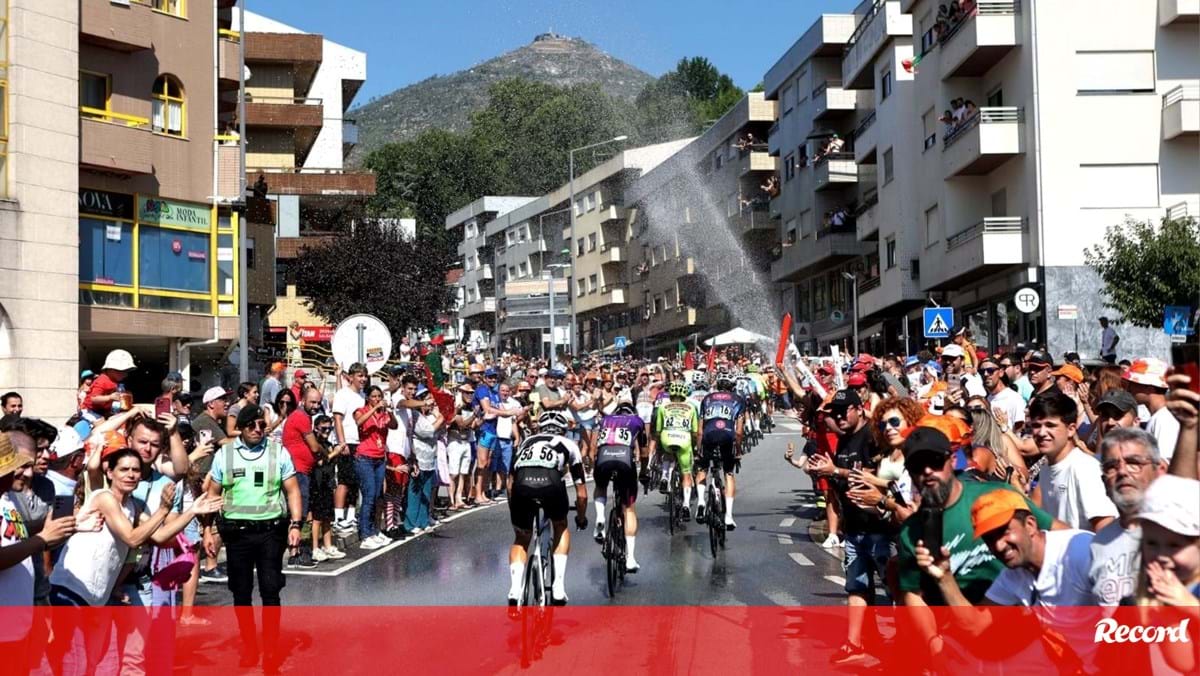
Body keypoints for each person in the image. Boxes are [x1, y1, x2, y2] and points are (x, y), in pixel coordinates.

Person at [913, 488, 1100, 670]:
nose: (999, 545)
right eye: (990, 538)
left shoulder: (1079, 553)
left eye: (1004, 531)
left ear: (1030, 525)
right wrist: (945, 578)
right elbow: (976, 626)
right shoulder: (1014, 574)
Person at [204, 404, 304, 670]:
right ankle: (249, 647)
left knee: (271, 591)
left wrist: (295, 525)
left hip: (271, 532)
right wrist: (208, 531)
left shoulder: (277, 452)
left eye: (261, 425)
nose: (258, 430)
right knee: (241, 593)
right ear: (241, 428)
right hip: (237, 535)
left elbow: (292, 491)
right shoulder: (224, 455)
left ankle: (271, 651)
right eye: (252, 425)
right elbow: (212, 495)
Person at [806, 389, 889, 665]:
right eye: (835, 414)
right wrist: (821, 470)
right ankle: (855, 642)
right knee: (857, 586)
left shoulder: (874, 438)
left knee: (895, 586)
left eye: (844, 412)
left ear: (859, 409)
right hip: (854, 527)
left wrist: (837, 472)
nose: (839, 418)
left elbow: (879, 476)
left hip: (880, 526)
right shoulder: (844, 440)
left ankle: (908, 638)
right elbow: (841, 479)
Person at [505, 410, 588, 606]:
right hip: (551, 482)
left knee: (521, 537)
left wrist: (514, 509)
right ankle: (558, 587)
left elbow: (510, 483)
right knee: (560, 525)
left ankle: (515, 589)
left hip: (522, 485)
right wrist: (581, 517)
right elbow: (582, 492)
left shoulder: (526, 442)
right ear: (563, 430)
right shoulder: (569, 444)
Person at [1090, 427, 1166, 605]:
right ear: (1104, 482)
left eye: (1134, 462)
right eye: (1111, 467)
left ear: (1159, 470)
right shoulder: (1099, 543)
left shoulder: (1184, 532)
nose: (1123, 472)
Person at [1029, 393, 1117, 531]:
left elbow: (1105, 527)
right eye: (1036, 425)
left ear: (1071, 429)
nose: (1041, 433)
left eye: (1050, 425)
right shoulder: (1047, 468)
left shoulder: (1084, 468)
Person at [592, 401, 644, 572]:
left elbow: (594, 445)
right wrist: (644, 471)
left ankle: (600, 517)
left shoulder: (605, 420)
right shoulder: (636, 420)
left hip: (603, 458)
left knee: (600, 486)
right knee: (629, 508)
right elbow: (642, 449)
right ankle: (631, 558)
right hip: (624, 459)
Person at [696, 372, 746, 530]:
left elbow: (699, 430)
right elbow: (739, 431)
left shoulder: (707, 399)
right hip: (727, 436)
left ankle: (701, 503)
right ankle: (729, 517)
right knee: (728, 474)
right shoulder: (738, 400)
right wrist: (738, 450)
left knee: (702, 469)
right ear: (732, 387)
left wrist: (699, 449)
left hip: (709, 435)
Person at [282, 387, 324, 567]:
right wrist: (326, 452)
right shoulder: (300, 417)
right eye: (312, 402)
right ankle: (295, 552)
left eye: (318, 403)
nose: (316, 406)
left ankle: (296, 551)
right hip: (297, 470)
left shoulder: (304, 417)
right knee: (298, 512)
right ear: (303, 401)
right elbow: (314, 447)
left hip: (303, 469)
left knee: (301, 511)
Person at [649, 381, 700, 520]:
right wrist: (695, 446)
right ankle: (686, 505)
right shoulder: (691, 407)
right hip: (684, 439)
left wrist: (659, 445)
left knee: (667, 454)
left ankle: (665, 477)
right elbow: (695, 432)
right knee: (686, 474)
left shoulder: (663, 407)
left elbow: (658, 431)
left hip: (668, 436)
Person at [354, 385, 396, 550]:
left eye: (379, 396)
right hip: (365, 457)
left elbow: (394, 425)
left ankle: (373, 530)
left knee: (378, 495)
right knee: (369, 494)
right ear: (368, 398)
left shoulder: (383, 414)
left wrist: (389, 411)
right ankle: (365, 534)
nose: (377, 399)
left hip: (379, 458)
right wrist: (374, 409)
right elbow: (359, 421)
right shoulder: (361, 410)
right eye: (374, 396)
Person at [330, 362, 367, 534]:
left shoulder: (362, 396)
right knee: (344, 480)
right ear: (350, 377)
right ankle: (338, 518)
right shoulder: (342, 394)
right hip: (347, 442)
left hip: (360, 443)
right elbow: (338, 418)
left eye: (365, 376)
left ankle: (351, 516)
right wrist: (342, 441)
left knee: (355, 481)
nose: (363, 379)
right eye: (360, 376)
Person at [404, 390, 444, 535]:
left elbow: (440, 431)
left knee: (426, 492)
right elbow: (426, 432)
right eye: (428, 400)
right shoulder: (416, 416)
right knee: (415, 492)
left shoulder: (431, 416)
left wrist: (439, 416)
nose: (431, 404)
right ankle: (411, 523)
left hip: (430, 459)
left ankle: (423, 520)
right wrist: (440, 417)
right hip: (419, 458)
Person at [1123, 358, 1180, 461]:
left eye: (1134, 383)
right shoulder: (1159, 417)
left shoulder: (1164, 419)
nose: (1129, 389)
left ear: (1149, 387)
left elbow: (1164, 463)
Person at [981, 357, 1025, 434]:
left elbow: (1019, 430)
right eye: (981, 371)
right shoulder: (985, 400)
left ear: (1001, 372)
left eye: (990, 371)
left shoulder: (1014, 398)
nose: (985, 374)